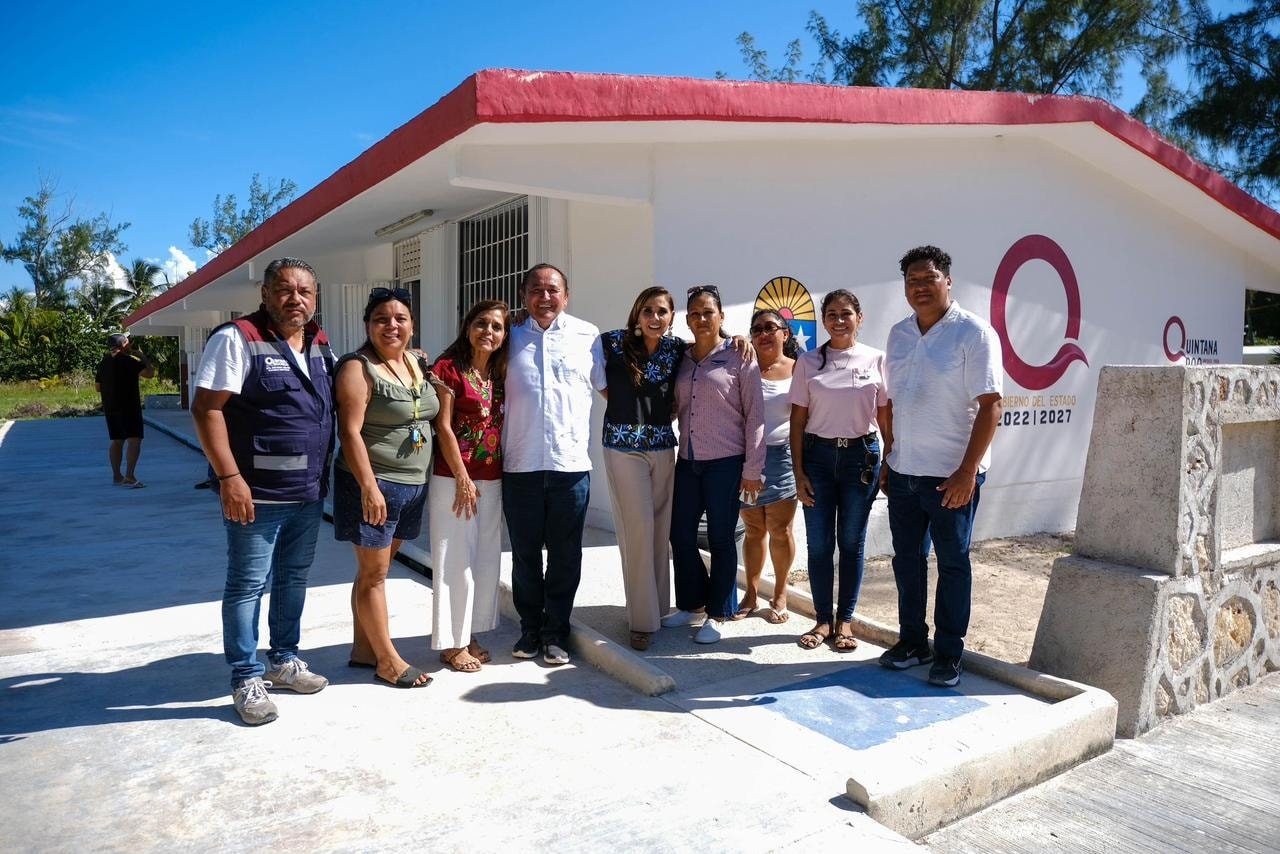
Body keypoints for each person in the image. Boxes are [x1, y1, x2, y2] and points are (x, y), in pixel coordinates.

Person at [191, 257, 334, 725]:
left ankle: (283, 659)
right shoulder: (238, 339)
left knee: (293, 579)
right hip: (257, 494)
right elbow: (207, 409)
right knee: (248, 585)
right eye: (285, 290)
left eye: (305, 292)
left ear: (316, 297)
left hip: (308, 493)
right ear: (266, 294)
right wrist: (229, 478)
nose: (296, 299)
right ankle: (245, 676)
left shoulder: (319, 342)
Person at [879, 245, 1003, 688]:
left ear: (948, 281)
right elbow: (894, 403)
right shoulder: (898, 334)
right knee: (907, 561)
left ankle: (949, 653)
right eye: (912, 281)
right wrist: (889, 456)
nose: (920, 288)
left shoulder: (974, 333)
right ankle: (913, 642)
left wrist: (968, 471)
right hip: (904, 470)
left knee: (953, 564)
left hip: (951, 476)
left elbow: (991, 406)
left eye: (928, 278)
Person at [334, 287, 438, 689]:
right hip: (373, 484)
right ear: (367, 325)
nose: (391, 325)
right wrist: (368, 487)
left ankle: (364, 649)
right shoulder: (358, 369)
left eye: (400, 318)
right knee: (375, 575)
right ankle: (387, 661)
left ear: (411, 325)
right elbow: (350, 431)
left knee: (374, 572)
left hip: (411, 485)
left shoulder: (415, 362)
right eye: (381, 319)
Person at [503, 263, 602, 665]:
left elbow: (619, 382)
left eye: (553, 290)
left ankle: (555, 632)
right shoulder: (506, 339)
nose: (545, 298)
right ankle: (529, 630)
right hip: (520, 465)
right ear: (524, 295)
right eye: (536, 290)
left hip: (570, 466)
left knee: (565, 555)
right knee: (526, 555)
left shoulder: (588, 336)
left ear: (567, 295)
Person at [665, 284, 765, 645]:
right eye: (695, 313)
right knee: (680, 535)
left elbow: (756, 415)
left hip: (726, 463)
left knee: (722, 538)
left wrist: (753, 469)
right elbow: (675, 407)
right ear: (687, 320)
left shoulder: (740, 355)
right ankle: (692, 604)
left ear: (721, 316)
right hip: (688, 461)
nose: (702, 318)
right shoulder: (683, 357)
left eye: (709, 312)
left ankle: (719, 613)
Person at [790, 290, 888, 652]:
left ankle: (845, 621)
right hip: (816, 458)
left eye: (846, 313)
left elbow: (886, 415)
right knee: (818, 546)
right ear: (823, 320)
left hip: (859, 459)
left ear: (859, 318)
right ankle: (822, 619)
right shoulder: (808, 362)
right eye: (831, 314)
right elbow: (797, 419)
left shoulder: (877, 359)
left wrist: (889, 458)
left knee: (851, 543)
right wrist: (798, 471)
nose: (838, 320)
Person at [593, 286, 684, 651]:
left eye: (662, 311)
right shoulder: (610, 343)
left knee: (661, 531)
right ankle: (642, 620)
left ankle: (659, 608)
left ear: (671, 317)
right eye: (648, 310)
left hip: (663, 447)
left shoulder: (678, 349)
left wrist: (738, 339)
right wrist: (623, 411)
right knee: (639, 529)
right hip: (623, 449)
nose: (654, 317)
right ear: (636, 314)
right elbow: (596, 380)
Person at [430, 299, 509, 672]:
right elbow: (442, 425)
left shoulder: (499, 371)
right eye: (482, 323)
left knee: (483, 561)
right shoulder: (448, 368)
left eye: (497, 326)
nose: (488, 332)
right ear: (467, 326)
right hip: (453, 478)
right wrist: (461, 475)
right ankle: (450, 643)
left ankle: (469, 634)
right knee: (454, 561)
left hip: (491, 477)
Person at [735, 308, 799, 625]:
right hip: (748, 461)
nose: (763, 334)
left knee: (780, 529)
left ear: (784, 334)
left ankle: (780, 594)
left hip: (783, 459)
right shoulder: (743, 367)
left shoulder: (799, 370)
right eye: (757, 329)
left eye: (771, 327)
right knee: (754, 528)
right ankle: (751, 593)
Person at [95, 332, 155, 488]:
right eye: (128, 343)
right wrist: (142, 357)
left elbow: (97, 387)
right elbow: (149, 374)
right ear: (123, 344)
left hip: (110, 407)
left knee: (117, 441)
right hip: (129, 406)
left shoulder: (103, 363)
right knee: (134, 440)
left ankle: (117, 477)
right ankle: (129, 475)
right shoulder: (129, 361)